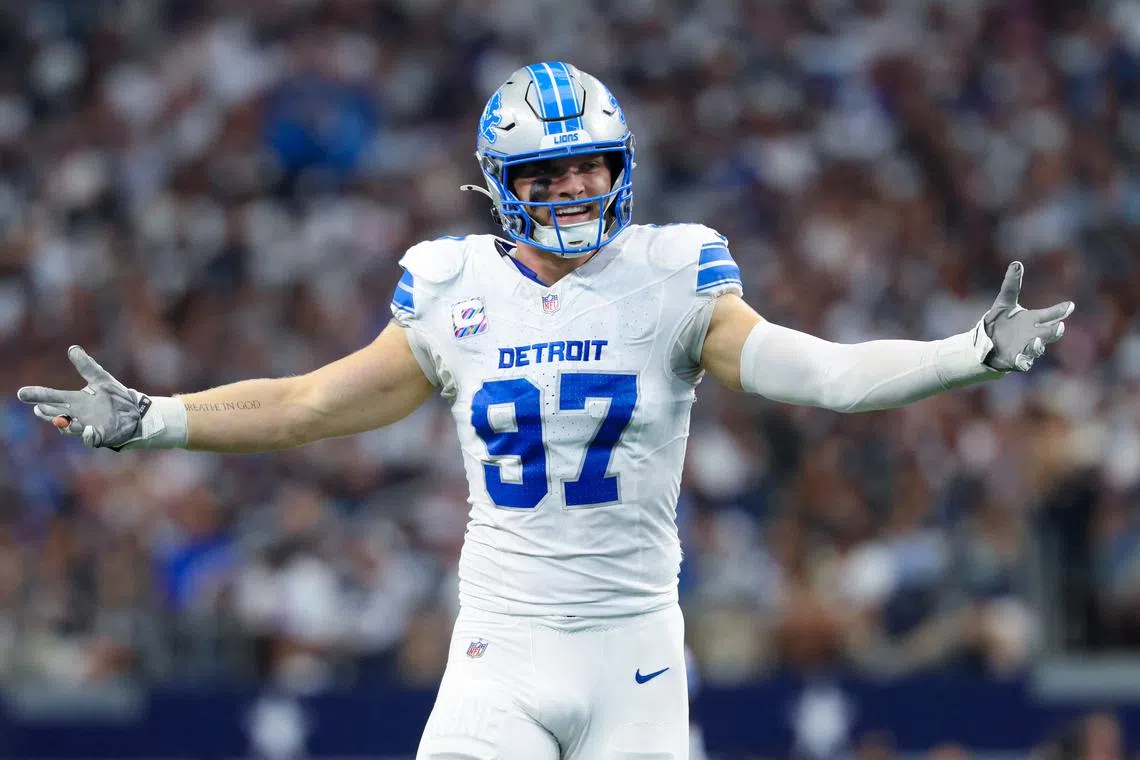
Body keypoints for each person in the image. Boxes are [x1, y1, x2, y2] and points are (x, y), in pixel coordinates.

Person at [17, 61, 1074, 759]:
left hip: (636, 650)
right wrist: (154, 416)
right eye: (547, 169)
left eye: (589, 165)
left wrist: (967, 353)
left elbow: (825, 373)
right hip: (502, 646)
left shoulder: (675, 272)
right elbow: (306, 402)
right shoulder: (450, 285)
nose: (573, 186)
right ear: (499, 179)